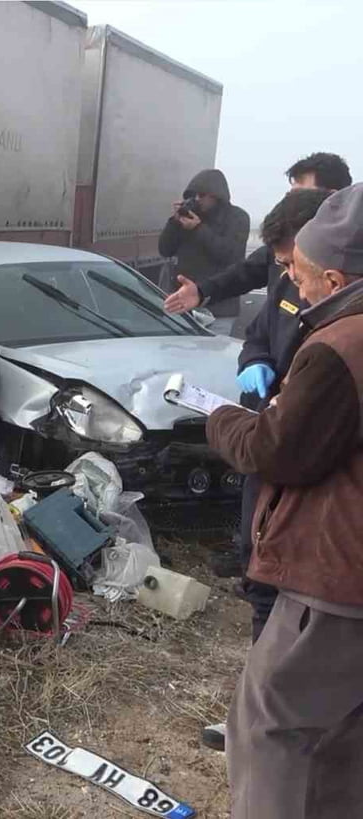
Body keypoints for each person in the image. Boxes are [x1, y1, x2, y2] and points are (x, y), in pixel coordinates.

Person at [207, 183, 363, 819]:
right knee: (344, 732)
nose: (290, 285)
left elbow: (277, 451)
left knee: (271, 725)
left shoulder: (341, 344)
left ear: (331, 274)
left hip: (336, 574)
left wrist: (221, 418)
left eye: (297, 273)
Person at [197, 187, 332, 754]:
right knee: (260, 585)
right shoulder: (286, 279)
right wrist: (254, 366)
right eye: (279, 264)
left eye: (291, 264)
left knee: (293, 605)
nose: (285, 274)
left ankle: (280, 728)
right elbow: (257, 338)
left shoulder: (339, 324)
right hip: (268, 458)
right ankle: (252, 719)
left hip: (300, 472)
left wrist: (225, 420)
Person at [164, 152, 352, 316]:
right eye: (285, 264)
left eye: (299, 193)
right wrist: (201, 292)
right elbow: (245, 273)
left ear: (332, 197)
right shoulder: (283, 244)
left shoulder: (352, 253)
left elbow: (229, 254)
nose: (292, 275)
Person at [157, 168, 250, 316]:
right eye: (193, 196)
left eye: (201, 195)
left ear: (216, 195)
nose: (197, 200)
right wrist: (174, 222)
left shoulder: (237, 217)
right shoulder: (190, 217)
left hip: (218, 307)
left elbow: (230, 255)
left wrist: (198, 228)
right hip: (184, 304)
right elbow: (165, 249)